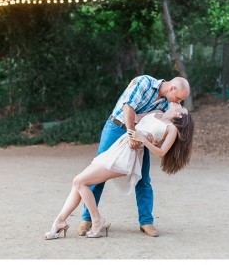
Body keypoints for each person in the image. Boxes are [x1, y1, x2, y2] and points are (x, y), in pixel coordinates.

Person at [45, 102, 194, 239]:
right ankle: (61, 221)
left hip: (128, 156)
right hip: (120, 145)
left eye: (181, 106)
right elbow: (133, 117)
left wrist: (145, 140)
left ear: (180, 115)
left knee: (80, 182)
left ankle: (96, 221)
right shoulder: (156, 112)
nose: (178, 102)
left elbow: (161, 152)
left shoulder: (172, 128)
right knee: (78, 182)